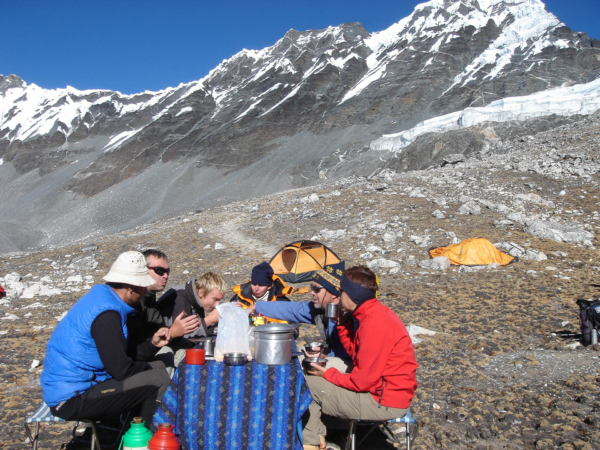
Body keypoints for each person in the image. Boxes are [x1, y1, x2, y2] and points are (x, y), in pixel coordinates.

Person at [40, 251, 172, 427]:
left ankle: (132, 427)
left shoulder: (103, 299)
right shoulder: (107, 315)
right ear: (131, 288)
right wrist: (147, 367)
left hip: (79, 383)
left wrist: (152, 345)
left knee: (159, 366)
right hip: (71, 397)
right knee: (159, 378)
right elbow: (121, 369)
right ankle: (147, 439)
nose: (143, 293)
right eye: (142, 287)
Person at [302, 266, 418, 450]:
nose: (339, 297)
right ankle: (327, 437)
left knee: (309, 385)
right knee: (317, 375)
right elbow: (358, 355)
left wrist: (327, 374)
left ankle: (311, 444)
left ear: (352, 294)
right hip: (390, 392)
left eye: (341, 291)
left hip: (384, 401)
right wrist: (341, 324)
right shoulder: (373, 313)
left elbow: (361, 382)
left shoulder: (373, 325)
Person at [243, 261, 351, 371]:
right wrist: (257, 306)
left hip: (355, 365)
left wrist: (329, 353)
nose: (312, 293)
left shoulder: (351, 313)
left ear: (334, 293)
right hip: (339, 354)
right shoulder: (319, 309)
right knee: (303, 352)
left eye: (317, 289)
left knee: (307, 366)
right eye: (312, 288)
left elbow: (361, 351)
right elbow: (291, 310)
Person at [127, 249, 200, 376]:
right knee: (167, 352)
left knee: (189, 347)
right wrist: (172, 332)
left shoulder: (150, 297)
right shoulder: (133, 300)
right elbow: (134, 347)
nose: (165, 276)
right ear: (143, 270)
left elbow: (156, 328)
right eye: (159, 271)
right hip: (134, 357)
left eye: (167, 271)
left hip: (145, 349)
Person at [162, 272, 227, 338]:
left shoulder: (195, 297)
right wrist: (208, 321)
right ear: (201, 292)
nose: (217, 304)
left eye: (219, 300)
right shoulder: (180, 300)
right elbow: (182, 337)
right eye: (215, 299)